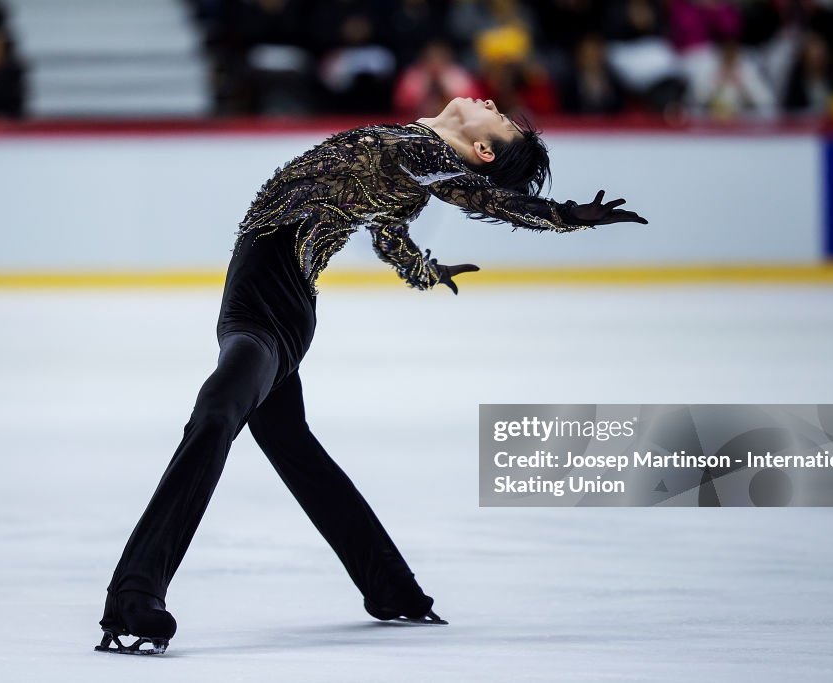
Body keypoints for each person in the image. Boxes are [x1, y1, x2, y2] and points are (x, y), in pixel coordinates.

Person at [95, 97, 648, 655]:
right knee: (294, 449)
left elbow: (475, 192)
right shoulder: (411, 162)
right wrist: (425, 271)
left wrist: (563, 215)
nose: (492, 103)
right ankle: (392, 589)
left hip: (271, 312)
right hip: (270, 302)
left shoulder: (431, 157)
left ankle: (134, 596)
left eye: (500, 121)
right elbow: (390, 236)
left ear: (480, 150)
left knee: (216, 416)